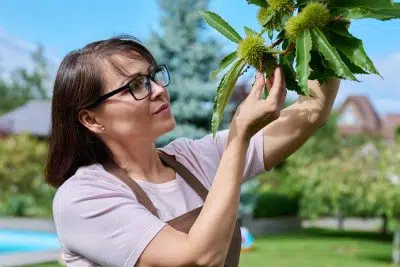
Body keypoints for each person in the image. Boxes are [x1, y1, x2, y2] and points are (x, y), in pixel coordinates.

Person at [46, 35, 340, 267]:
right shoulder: (83, 198)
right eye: (136, 85)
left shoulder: (191, 158)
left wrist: (324, 30)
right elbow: (199, 259)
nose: (159, 89)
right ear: (91, 119)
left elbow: (311, 113)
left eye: (153, 76)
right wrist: (238, 138)